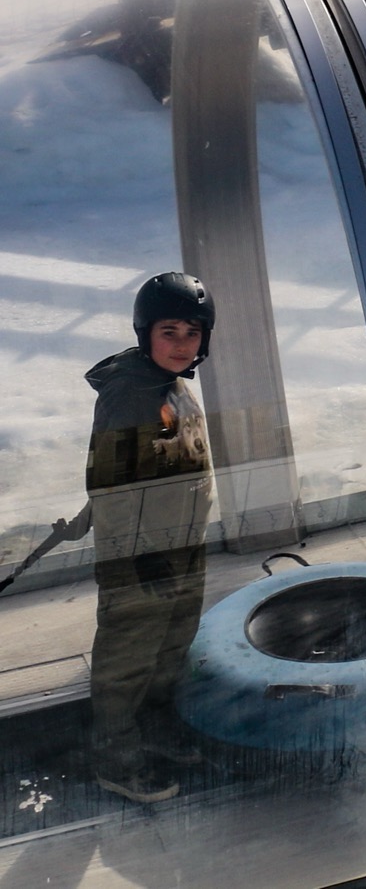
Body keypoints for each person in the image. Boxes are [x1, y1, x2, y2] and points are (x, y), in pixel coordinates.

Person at [60, 271, 217, 803]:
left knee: (171, 644)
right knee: (128, 658)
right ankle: (116, 758)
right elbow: (111, 483)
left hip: (180, 545)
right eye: (169, 331)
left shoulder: (169, 384)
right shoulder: (131, 394)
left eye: (192, 332)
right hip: (141, 556)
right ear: (145, 332)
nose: (182, 344)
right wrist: (139, 555)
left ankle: (152, 731)